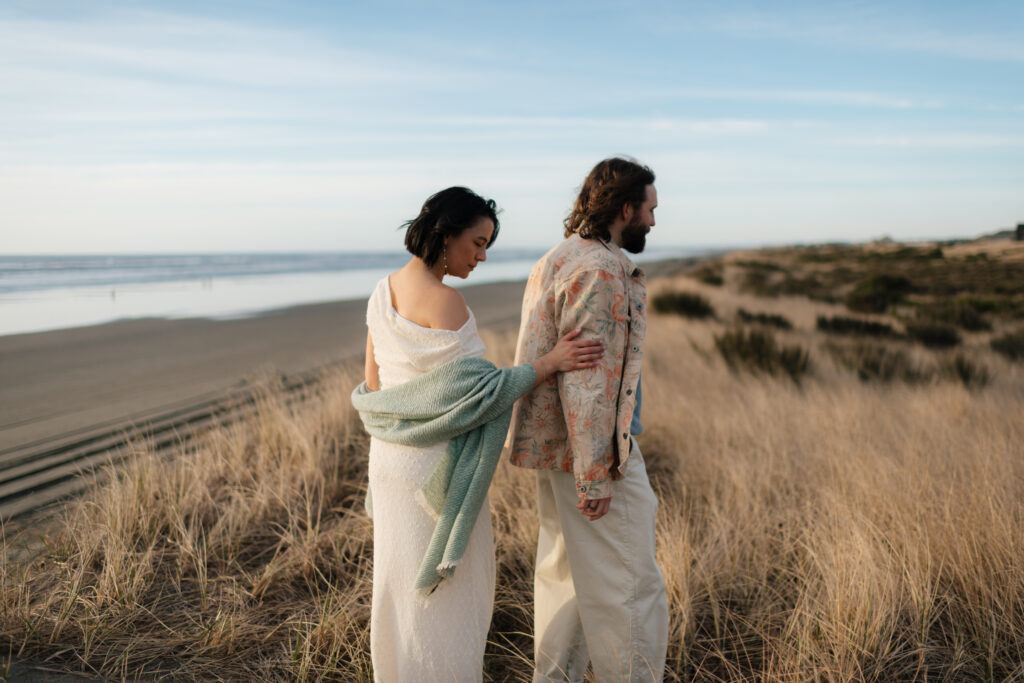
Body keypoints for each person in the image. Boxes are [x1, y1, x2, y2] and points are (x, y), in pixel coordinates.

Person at [353, 186, 604, 683]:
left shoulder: (381, 292)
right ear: (446, 235)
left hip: (388, 461)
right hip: (438, 469)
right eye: (477, 242)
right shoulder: (447, 301)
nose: (482, 256)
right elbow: (482, 396)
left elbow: (375, 386)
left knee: (398, 586)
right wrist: (550, 362)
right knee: (452, 597)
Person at [507, 158, 669, 682]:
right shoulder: (599, 269)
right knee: (631, 585)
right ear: (626, 208)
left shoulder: (556, 257)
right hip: (596, 453)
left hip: (560, 449)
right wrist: (596, 472)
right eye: (649, 209)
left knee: (566, 577)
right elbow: (587, 379)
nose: (652, 221)